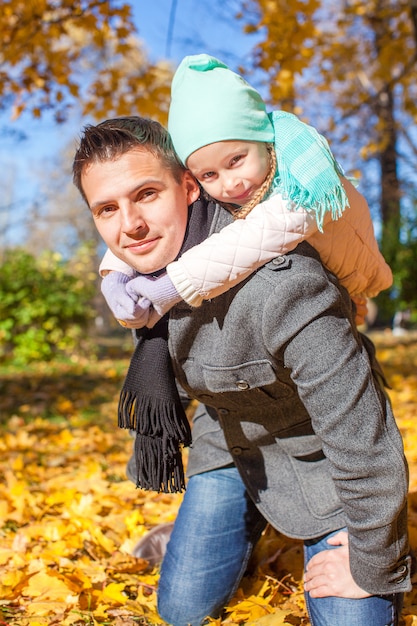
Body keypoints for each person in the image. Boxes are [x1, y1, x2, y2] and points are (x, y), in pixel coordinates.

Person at [72, 116, 410, 626]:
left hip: (320, 457)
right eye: (107, 209)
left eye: (146, 194)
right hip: (229, 440)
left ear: (189, 187)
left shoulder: (284, 286)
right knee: (181, 609)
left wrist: (373, 563)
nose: (130, 225)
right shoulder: (143, 287)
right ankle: (208, 530)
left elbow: (365, 440)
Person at [98, 54, 391, 329]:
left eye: (236, 160)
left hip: (356, 272)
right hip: (325, 281)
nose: (230, 184)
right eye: (209, 175)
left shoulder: (301, 176)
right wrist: (116, 273)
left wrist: (172, 285)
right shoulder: (222, 178)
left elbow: (257, 236)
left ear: (262, 139)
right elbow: (163, 214)